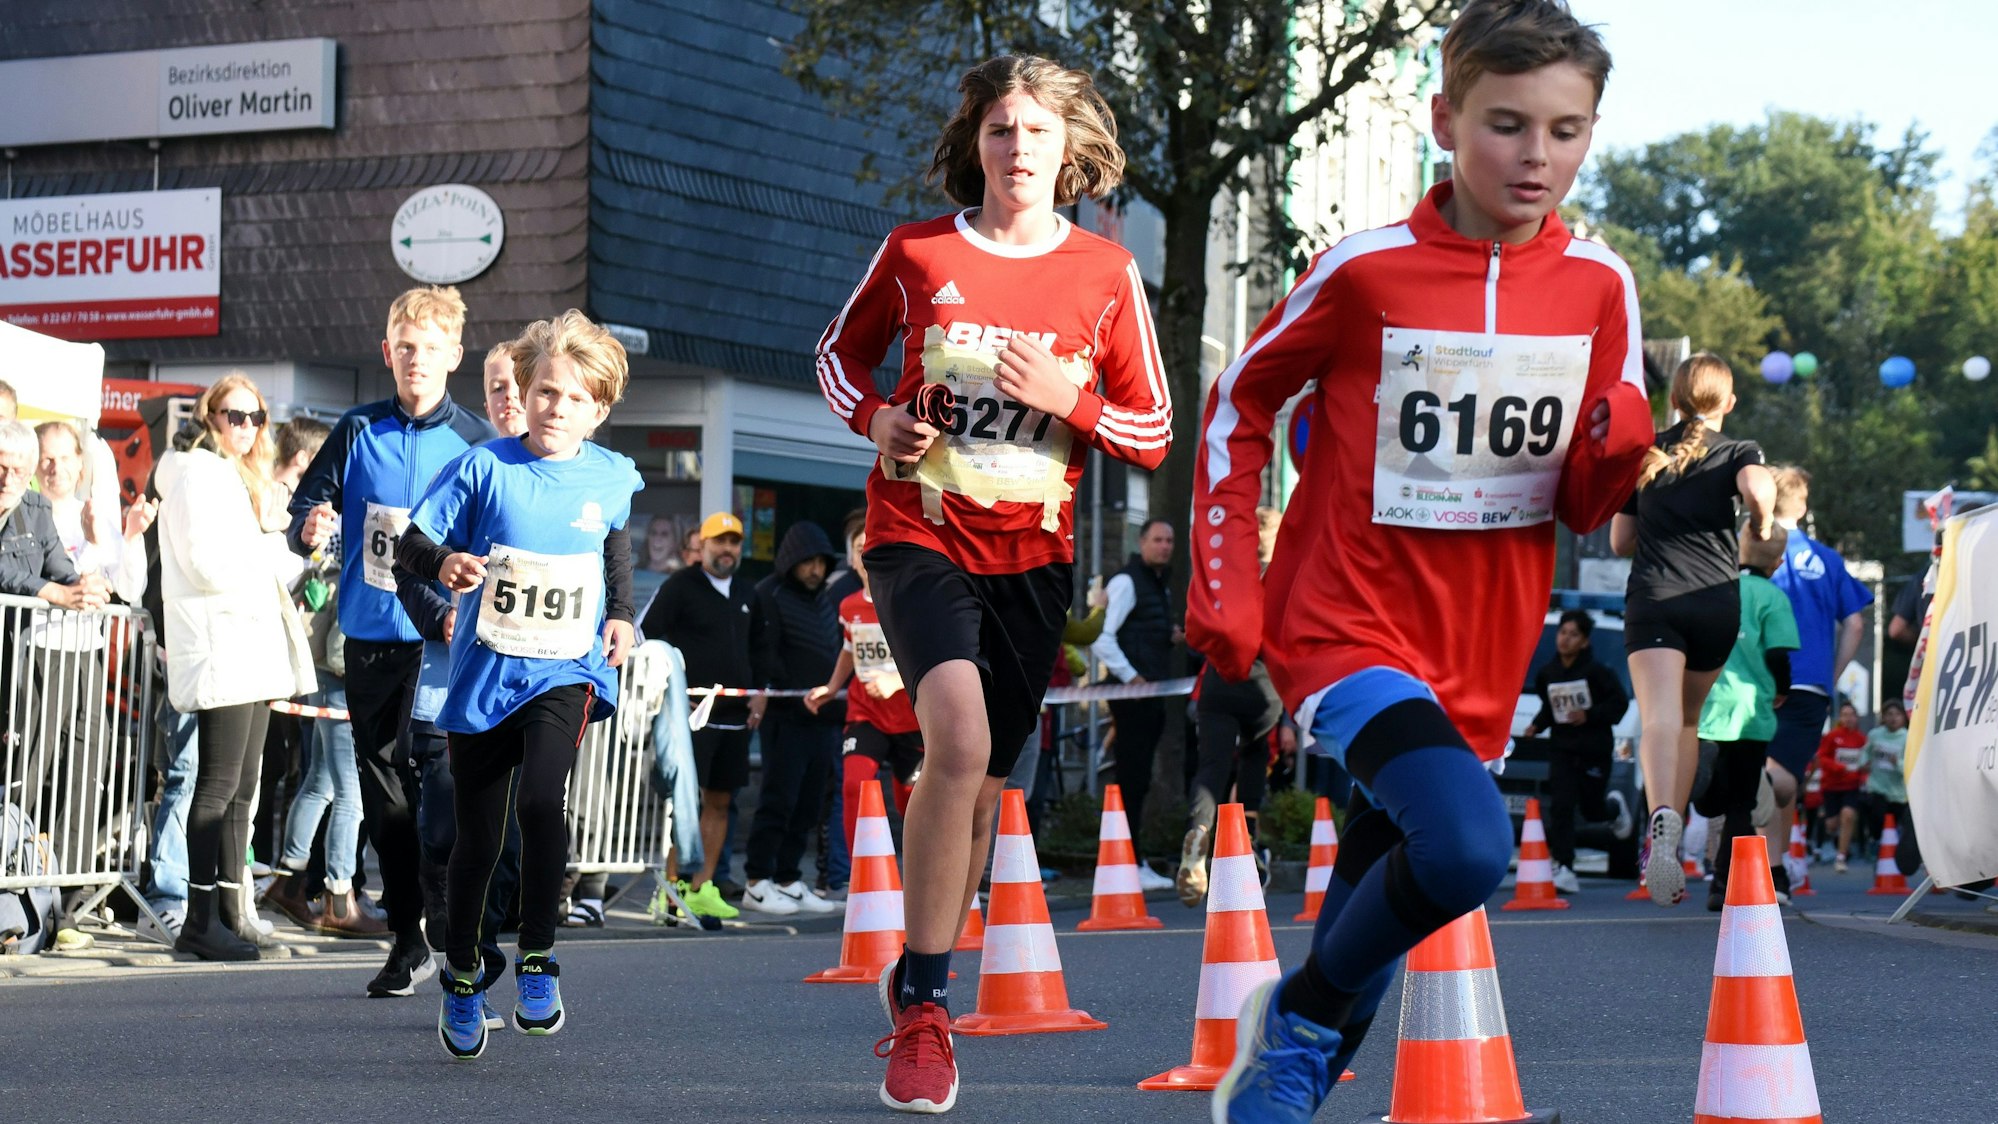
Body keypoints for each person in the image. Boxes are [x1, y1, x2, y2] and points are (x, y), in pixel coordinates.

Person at [1190, 4, 1655, 1116]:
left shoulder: (1601, 285)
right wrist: (1231, 590)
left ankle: (1289, 1064)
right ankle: (1302, 1022)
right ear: (1446, 118)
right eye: (1506, 124)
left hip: (1486, 646)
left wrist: (1620, 447)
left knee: (1385, 862)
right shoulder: (1365, 270)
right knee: (1459, 848)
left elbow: (1584, 498)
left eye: (1566, 130)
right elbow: (1239, 404)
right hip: (1345, 621)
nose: (1536, 157)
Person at [816, 53, 1171, 1113]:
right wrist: (877, 420)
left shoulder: (1105, 275)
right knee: (956, 743)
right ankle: (925, 1007)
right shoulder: (920, 252)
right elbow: (839, 357)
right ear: (977, 141)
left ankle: (922, 959)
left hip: (1035, 557)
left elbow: (1150, 427)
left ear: (1071, 153)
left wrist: (1077, 398)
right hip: (917, 535)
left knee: (978, 792)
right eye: (1003, 129)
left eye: (1039, 132)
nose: (1019, 148)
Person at [394, 309, 639, 1059]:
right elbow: (411, 543)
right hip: (485, 676)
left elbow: (615, 552)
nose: (555, 409)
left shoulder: (613, 474)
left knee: (541, 799)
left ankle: (538, 958)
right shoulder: (483, 466)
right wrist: (444, 565)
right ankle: (463, 977)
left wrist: (624, 616)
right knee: (476, 843)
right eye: (544, 393)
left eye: (572, 398)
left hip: (565, 671)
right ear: (523, 395)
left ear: (597, 410)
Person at [287, 285, 496, 996]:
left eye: (430, 349)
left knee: (433, 778)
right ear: (387, 352)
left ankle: (447, 920)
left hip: (438, 641)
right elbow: (305, 504)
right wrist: (308, 525)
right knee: (383, 800)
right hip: (370, 636)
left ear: (452, 357)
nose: (415, 359)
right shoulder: (357, 428)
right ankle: (408, 938)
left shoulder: (473, 439)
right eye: (405, 347)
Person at [156, 374, 317, 960]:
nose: (245, 427)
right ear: (210, 415)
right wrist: (270, 547)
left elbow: (252, 562)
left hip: (247, 643)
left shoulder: (233, 476)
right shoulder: (197, 473)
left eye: (255, 417)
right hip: (222, 641)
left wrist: (294, 542)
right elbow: (206, 563)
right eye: (233, 414)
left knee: (244, 789)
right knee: (217, 786)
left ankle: (229, 910)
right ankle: (200, 920)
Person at [1608, 353, 1774, 905]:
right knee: (1687, 719)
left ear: (1673, 400)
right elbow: (1756, 488)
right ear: (1729, 402)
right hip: (1714, 604)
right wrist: (1762, 519)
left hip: (1655, 599)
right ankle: (1672, 840)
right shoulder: (1738, 451)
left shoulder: (1647, 454)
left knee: (1656, 714)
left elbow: (1619, 542)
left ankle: (1661, 817)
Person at [261, 417, 388, 936]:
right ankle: (339, 897)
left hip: (322, 660)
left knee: (319, 781)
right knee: (350, 789)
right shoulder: (341, 517)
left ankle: (288, 878)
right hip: (338, 660)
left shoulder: (334, 513)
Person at [0, 420, 116, 951]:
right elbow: (13, 575)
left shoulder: (36, 509)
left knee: (87, 769)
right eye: (7, 466)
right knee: (25, 777)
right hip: (30, 659)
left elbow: (60, 567)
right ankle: (9, 894)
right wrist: (54, 591)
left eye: (18, 468)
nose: (13, 476)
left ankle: (59, 905)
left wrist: (82, 583)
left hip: (82, 655)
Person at [638, 512, 760, 924]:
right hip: (690, 714)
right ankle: (669, 892)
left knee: (721, 802)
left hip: (735, 716)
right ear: (701, 545)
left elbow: (759, 649)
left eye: (734, 542)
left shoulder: (748, 592)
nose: (727, 550)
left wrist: (760, 695)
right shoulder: (680, 586)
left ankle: (702, 888)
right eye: (719, 542)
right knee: (685, 803)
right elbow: (649, 635)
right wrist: (673, 692)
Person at [1764, 465, 1873, 898]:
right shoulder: (1828, 559)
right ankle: (1776, 872)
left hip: (1758, 677)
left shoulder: (1754, 547)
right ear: (1803, 505)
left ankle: (1767, 867)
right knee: (1786, 775)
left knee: (1771, 776)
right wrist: (1831, 673)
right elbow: (1856, 624)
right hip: (1809, 682)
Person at [1179, 507, 1288, 907]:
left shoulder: (1226, 574)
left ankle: (1200, 831)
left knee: (1213, 767)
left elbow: (1197, 633)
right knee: (1256, 756)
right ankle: (1252, 843)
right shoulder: (1287, 577)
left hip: (1220, 682)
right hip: (1265, 688)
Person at [1689, 528, 1797, 910]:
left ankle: (1699, 791)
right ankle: (1723, 887)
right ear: (1779, 563)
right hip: (1751, 711)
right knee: (1742, 804)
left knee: (1714, 798)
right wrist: (1782, 688)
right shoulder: (1772, 597)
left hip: (1707, 705)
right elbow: (1778, 653)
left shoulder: (1714, 588)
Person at [742, 521, 844, 915]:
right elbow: (764, 652)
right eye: (807, 562)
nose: (815, 569)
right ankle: (757, 879)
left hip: (823, 717)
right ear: (791, 561)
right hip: (785, 717)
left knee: (809, 802)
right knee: (778, 798)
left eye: (820, 562)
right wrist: (774, 686)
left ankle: (788, 878)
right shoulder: (770, 593)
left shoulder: (826, 599)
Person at [808, 527, 924, 856]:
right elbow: (850, 648)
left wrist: (895, 681)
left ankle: (920, 876)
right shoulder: (847, 606)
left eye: (872, 545)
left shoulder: (909, 602)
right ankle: (861, 874)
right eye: (859, 547)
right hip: (866, 713)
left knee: (912, 802)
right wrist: (832, 687)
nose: (866, 553)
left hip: (911, 718)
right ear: (852, 559)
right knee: (853, 785)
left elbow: (930, 654)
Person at [1091, 518, 1180, 891]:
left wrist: (1169, 636)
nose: (1164, 546)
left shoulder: (1158, 585)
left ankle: (1131, 859)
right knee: (1132, 778)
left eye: (1170, 540)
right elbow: (1101, 638)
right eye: (1158, 539)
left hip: (1150, 696)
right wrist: (1132, 677)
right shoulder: (1128, 582)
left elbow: (1141, 631)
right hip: (1133, 697)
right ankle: (1129, 860)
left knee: (1138, 779)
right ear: (1141, 542)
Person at [1520, 610, 1632, 893]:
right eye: (1563, 633)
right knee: (1562, 806)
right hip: (1562, 749)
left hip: (1594, 749)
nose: (1565, 639)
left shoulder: (1598, 673)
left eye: (1573, 635)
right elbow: (1551, 708)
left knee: (1591, 809)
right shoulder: (1547, 673)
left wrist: (1589, 714)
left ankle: (1614, 810)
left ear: (1584, 641)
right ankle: (1564, 866)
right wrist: (1536, 725)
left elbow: (1619, 705)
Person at [1814, 701, 1868, 873]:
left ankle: (1841, 856)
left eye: (1851, 714)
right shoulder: (1832, 736)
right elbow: (1822, 758)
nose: (1848, 718)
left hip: (1851, 786)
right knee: (1832, 824)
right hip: (1831, 786)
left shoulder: (1861, 739)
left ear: (1856, 717)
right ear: (1840, 718)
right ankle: (1833, 838)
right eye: (1845, 714)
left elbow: (1865, 763)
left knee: (1848, 815)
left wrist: (1863, 775)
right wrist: (1840, 768)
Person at [1861, 698, 1914, 873]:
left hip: (1899, 792)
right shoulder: (1875, 735)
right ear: (1883, 717)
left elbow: (1910, 765)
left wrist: (1897, 762)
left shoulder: (1908, 737)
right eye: (1889, 714)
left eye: (1897, 714)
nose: (1893, 718)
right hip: (1878, 786)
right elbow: (1865, 752)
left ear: (1904, 717)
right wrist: (1863, 763)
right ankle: (1874, 841)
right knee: (1877, 815)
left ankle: (1897, 855)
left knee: (1900, 825)